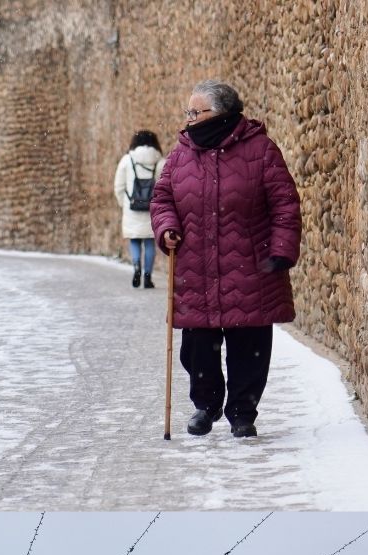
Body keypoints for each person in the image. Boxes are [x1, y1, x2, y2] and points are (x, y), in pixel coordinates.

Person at [151, 80, 301, 439]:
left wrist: (282, 249)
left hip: (249, 266)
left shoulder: (260, 150)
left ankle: (242, 413)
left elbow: (285, 204)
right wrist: (167, 227)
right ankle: (206, 405)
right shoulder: (180, 154)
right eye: (188, 112)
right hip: (195, 269)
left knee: (249, 346)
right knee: (197, 346)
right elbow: (162, 199)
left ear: (220, 113)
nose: (188, 119)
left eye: (195, 112)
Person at [114, 130, 164, 288]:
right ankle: (148, 276)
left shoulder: (127, 160)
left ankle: (136, 266)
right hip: (152, 208)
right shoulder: (160, 161)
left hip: (132, 207)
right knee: (150, 241)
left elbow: (118, 186)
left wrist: (124, 204)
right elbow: (165, 187)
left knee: (135, 239)